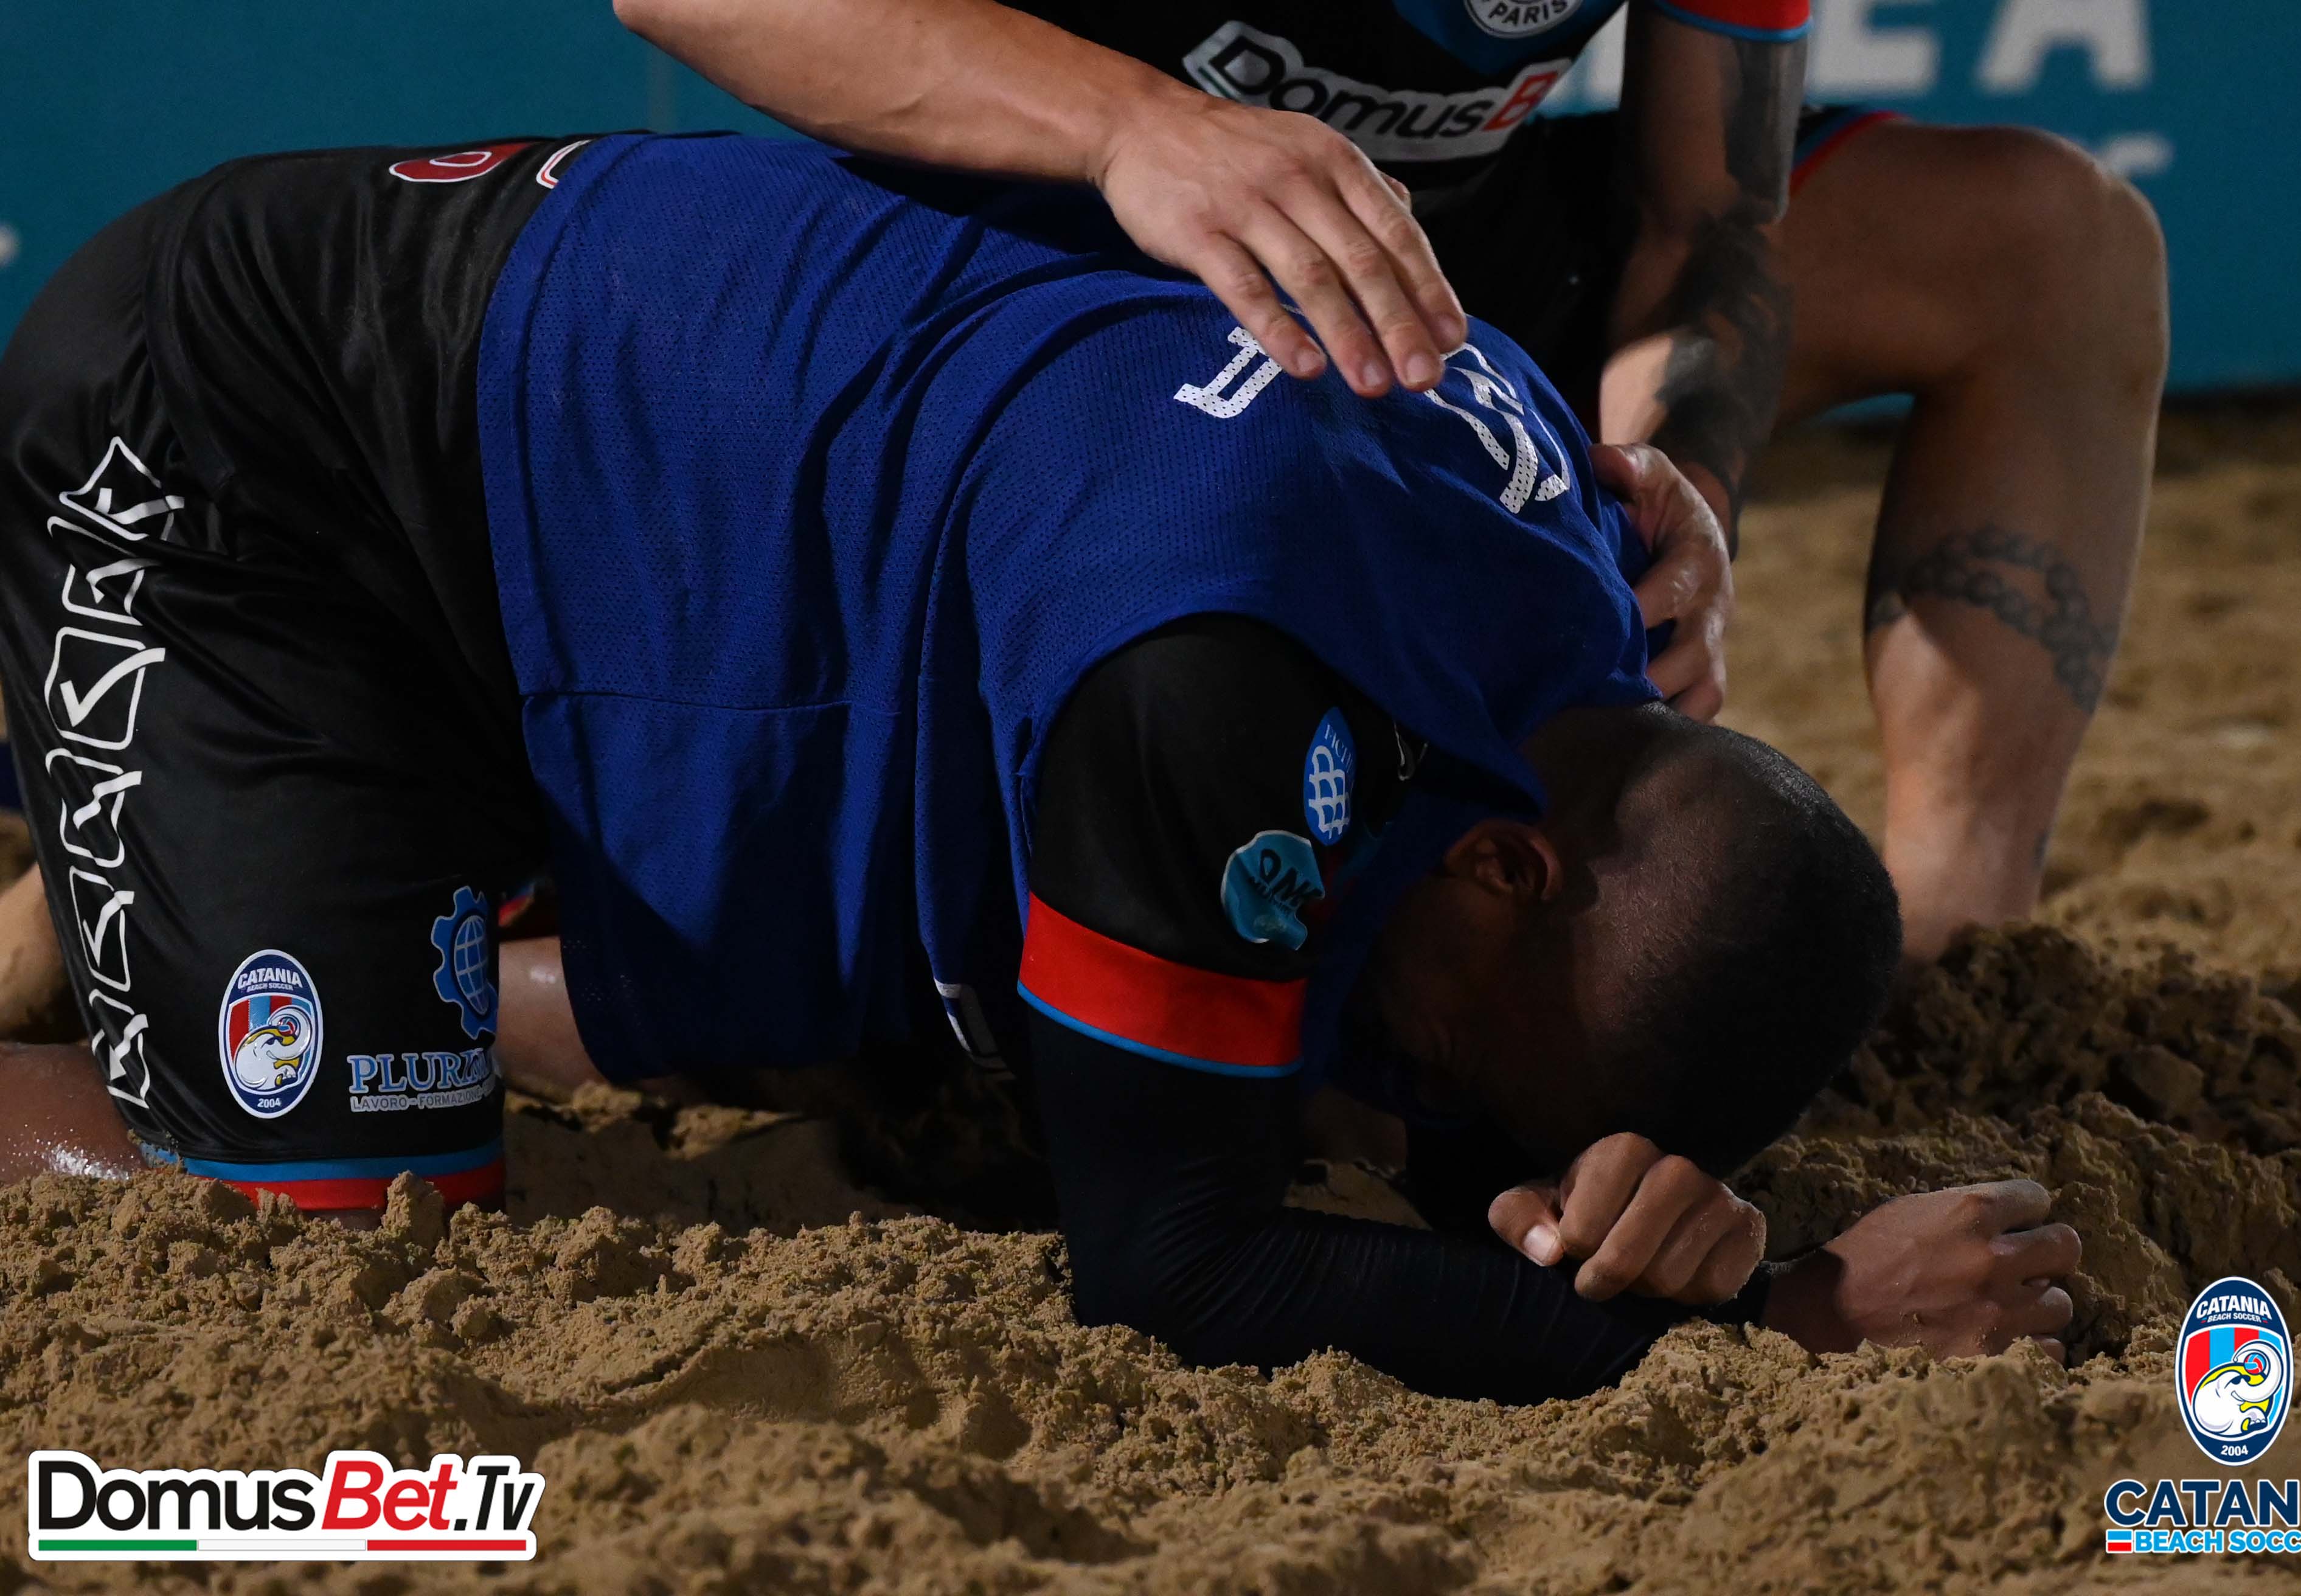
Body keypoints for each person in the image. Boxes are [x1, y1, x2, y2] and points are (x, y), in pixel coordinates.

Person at [0, 133, 2077, 1400]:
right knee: (349, 1231)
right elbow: (1178, 1271)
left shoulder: (1593, 571)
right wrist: (1765, 1319)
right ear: (1506, 868)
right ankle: (182, 903)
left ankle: (145, 908)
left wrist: (1567, 1195)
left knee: (984, 1046)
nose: (1411, 1097)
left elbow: (1411, 1121)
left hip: (659, 592)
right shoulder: (1221, 688)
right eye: (1453, 1063)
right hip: (262, 458)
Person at [617, 0, 2170, 962]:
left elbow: (1706, 219)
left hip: (1426, 268)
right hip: (1039, 267)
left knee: (2053, 242)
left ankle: (1948, 963)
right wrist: (1133, 128)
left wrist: (1665, 478)